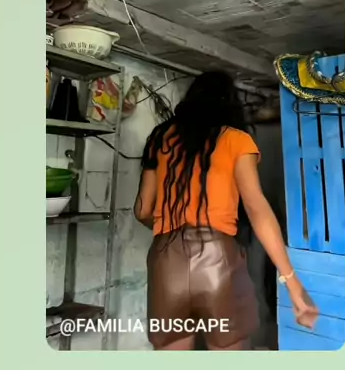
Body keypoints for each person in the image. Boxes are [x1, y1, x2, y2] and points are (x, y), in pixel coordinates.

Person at [134, 71, 318, 350]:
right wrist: (294, 285)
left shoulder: (161, 139)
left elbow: (143, 210)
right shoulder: (236, 140)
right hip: (217, 259)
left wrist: (170, 229)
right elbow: (256, 209)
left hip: (165, 260)